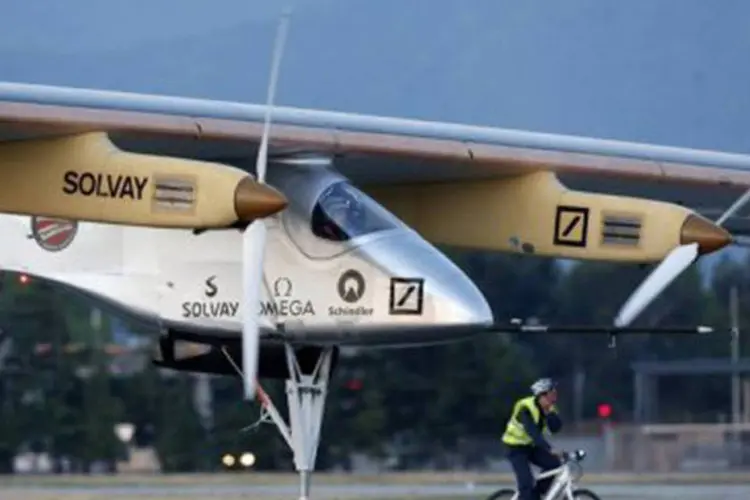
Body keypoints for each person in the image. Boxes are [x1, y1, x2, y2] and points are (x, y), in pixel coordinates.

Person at [501, 378, 563, 500]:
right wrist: (550, 449)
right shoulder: (525, 408)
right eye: (552, 393)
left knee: (554, 464)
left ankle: (536, 494)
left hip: (530, 446)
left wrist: (549, 413)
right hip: (515, 448)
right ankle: (529, 494)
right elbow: (533, 433)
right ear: (542, 395)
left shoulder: (550, 408)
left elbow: (556, 428)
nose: (555, 397)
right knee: (526, 484)